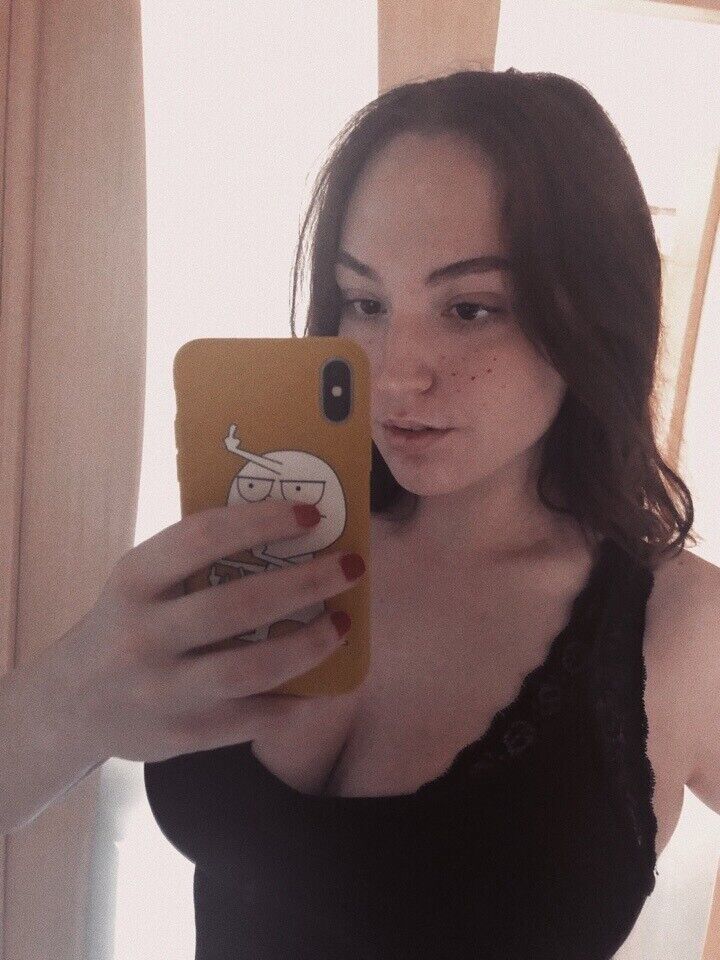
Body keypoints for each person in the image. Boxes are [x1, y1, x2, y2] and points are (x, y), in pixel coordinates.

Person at [3, 68, 719, 958]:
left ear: (595, 312)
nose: (394, 370)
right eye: (366, 302)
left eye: (470, 308)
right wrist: (68, 697)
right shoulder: (266, 537)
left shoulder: (683, 631)